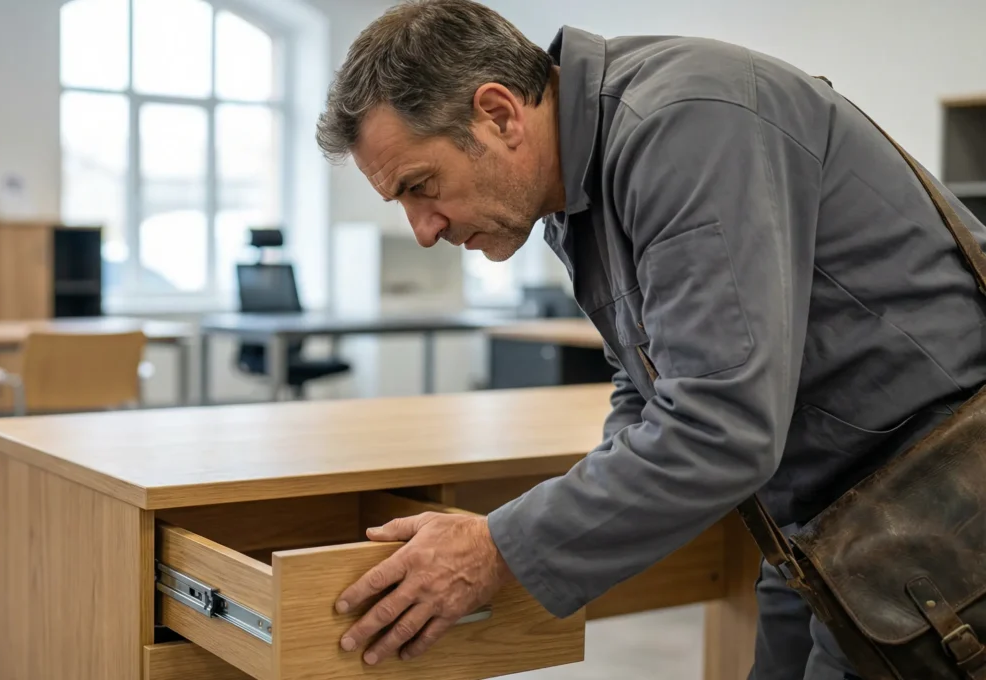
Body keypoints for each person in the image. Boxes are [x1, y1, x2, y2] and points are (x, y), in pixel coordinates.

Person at [313, 1, 986, 678]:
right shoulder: (583, 183)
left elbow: (720, 427)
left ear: (498, 114)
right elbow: (646, 387)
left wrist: (497, 547)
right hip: (827, 522)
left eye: (420, 187)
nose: (423, 229)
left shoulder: (683, 126)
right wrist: (541, 531)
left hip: (940, 508)